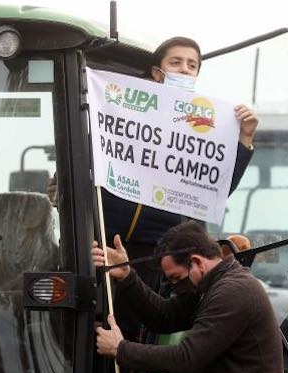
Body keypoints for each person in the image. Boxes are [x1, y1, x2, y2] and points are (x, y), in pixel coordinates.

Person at [104, 36, 258, 343]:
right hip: (108, 242)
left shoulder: (205, 125)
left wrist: (244, 140)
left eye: (192, 65)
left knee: (138, 331)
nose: (185, 70)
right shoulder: (123, 110)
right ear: (157, 73)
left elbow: (213, 188)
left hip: (158, 255)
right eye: (176, 63)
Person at [92, 221, 288, 373]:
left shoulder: (234, 291)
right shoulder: (209, 287)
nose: (176, 286)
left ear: (197, 262)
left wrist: (120, 349)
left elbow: (186, 359)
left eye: (176, 278)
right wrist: (127, 276)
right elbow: (165, 317)